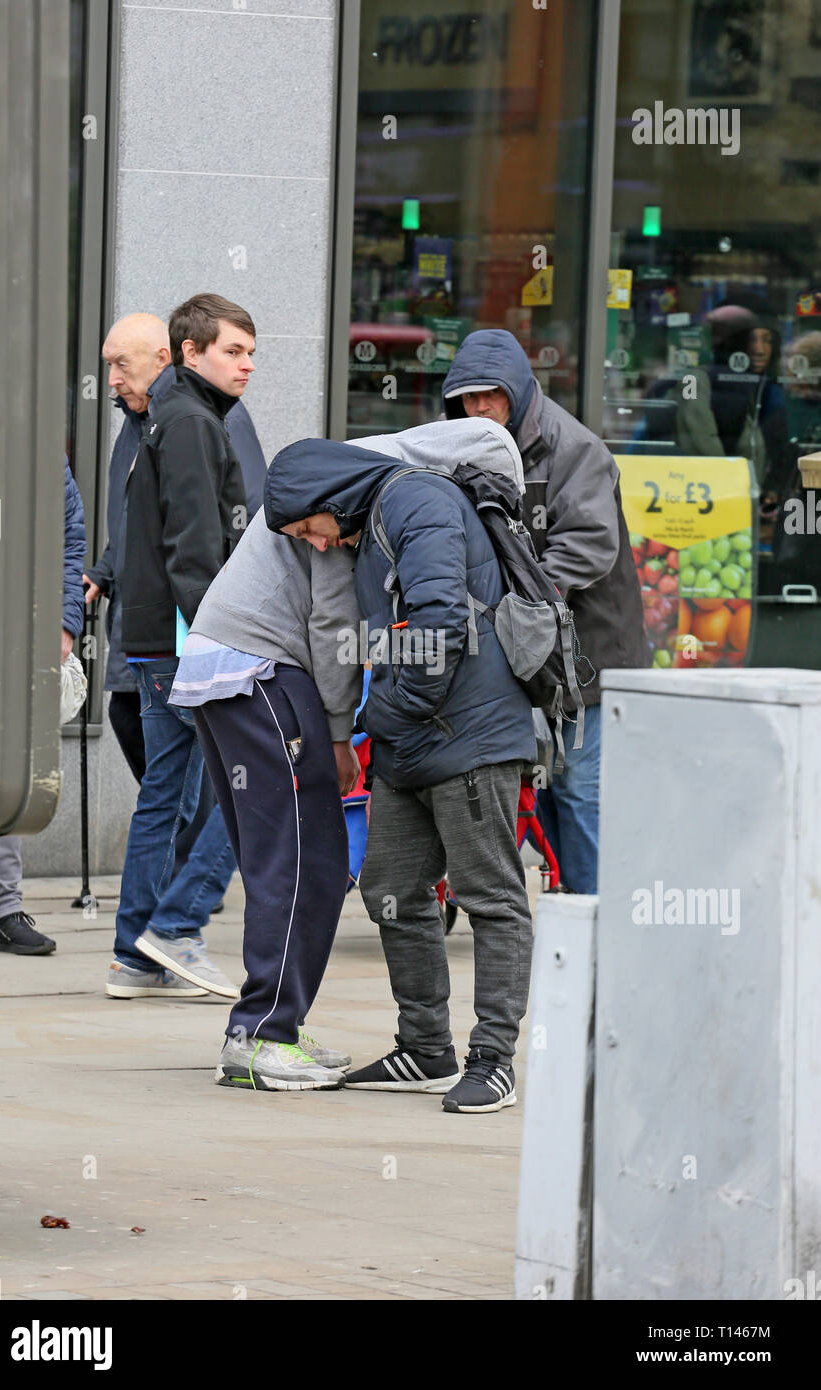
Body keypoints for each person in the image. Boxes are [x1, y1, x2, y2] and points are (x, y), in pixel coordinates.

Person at [264, 417, 538, 1114]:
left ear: (332, 492)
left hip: (470, 735)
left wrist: (395, 707)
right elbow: (385, 638)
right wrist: (384, 722)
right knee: (390, 888)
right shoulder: (373, 527)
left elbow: (440, 627)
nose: (318, 544)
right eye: (304, 542)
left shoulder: (416, 500)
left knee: (491, 898)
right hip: (412, 742)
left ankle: (494, 1060)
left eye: (312, 529)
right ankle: (426, 1049)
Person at [166, 490, 364, 1091]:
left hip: (220, 665)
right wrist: (338, 732)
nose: (321, 541)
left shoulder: (323, 485)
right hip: (263, 671)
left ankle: (274, 1026)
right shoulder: (345, 500)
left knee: (286, 859)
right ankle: (261, 1036)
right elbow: (333, 623)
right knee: (302, 863)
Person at [440, 329, 648, 894]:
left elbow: (587, 545)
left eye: (492, 395)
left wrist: (522, 607)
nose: (480, 408)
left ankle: (600, 919)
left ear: (518, 388)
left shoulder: (574, 447)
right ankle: (576, 914)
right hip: (534, 657)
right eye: (468, 397)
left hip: (592, 655)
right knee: (550, 787)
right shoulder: (472, 444)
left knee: (581, 787)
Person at [105, 292, 252, 1001]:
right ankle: (178, 926)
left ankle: (135, 956)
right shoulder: (192, 421)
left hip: (159, 641)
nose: (246, 365)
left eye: (251, 353)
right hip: (188, 643)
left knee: (164, 796)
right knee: (250, 791)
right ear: (188, 353)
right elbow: (193, 548)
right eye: (233, 351)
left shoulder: (171, 417)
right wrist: (224, 641)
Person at [85, 312, 266, 885]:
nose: (111, 377)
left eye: (121, 364)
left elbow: (231, 529)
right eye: (109, 364)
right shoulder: (142, 422)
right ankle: (165, 922)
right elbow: (139, 520)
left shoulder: (196, 422)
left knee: (203, 786)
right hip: (152, 629)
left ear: (166, 358)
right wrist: (106, 571)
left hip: (184, 632)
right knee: (176, 782)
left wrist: (220, 635)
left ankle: (167, 918)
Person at [0, 460, 86, 955]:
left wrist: (66, 622)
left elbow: (68, 541)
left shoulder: (36, 446)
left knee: (5, 769)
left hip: (8, 626)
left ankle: (3, 912)